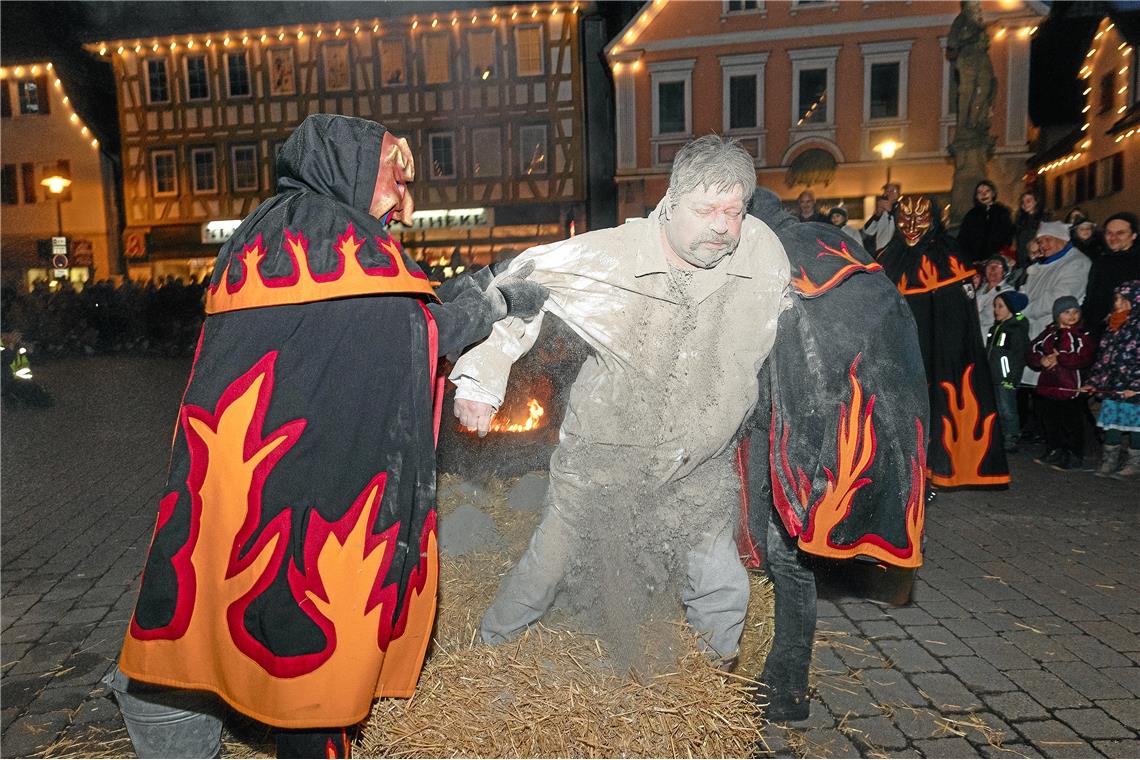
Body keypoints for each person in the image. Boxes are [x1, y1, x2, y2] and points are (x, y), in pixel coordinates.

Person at [105, 115, 548, 758]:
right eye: (392, 181)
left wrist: (474, 287)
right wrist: (491, 307)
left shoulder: (272, 229)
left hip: (245, 463)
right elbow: (407, 336)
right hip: (309, 472)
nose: (402, 199)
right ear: (351, 171)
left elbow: (391, 316)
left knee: (237, 600)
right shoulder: (335, 238)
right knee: (307, 620)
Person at [452, 135, 790, 670]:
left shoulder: (760, 253)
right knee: (550, 562)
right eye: (706, 210)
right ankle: (487, 650)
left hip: (697, 454)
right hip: (603, 449)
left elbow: (760, 347)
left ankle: (711, 685)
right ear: (672, 202)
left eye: (734, 211)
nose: (723, 226)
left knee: (721, 580)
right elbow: (522, 285)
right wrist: (481, 377)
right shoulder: (613, 256)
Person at [742, 189, 928, 722]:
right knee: (780, 554)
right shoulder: (824, 242)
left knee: (786, 557)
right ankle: (781, 680)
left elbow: (801, 348)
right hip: (832, 416)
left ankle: (785, 687)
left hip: (811, 425)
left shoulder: (774, 253)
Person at [879, 195, 1010, 488]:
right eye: (904, 217)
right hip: (902, 353)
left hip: (942, 354)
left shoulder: (949, 257)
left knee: (946, 403)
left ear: (935, 219)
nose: (912, 225)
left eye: (920, 217)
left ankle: (943, 468)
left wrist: (945, 354)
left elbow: (958, 318)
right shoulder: (888, 257)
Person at [1021, 221, 1093, 386]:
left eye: (1048, 239)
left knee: (1055, 393)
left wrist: (1023, 312)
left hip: (1059, 342)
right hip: (1036, 337)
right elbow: (1026, 293)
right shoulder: (1043, 264)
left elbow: (1057, 299)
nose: (1043, 245)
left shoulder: (1077, 263)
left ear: (1062, 239)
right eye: (1040, 241)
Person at [1027, 296, 1095, 471]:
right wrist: (1041, 360)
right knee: (1051, 421)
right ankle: (1054, 449)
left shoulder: (1081, 335)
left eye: (1075, 311)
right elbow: (1032, 349)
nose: (1072, 316)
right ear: (1057, 315)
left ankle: (1073, 454)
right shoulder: (1049, 333)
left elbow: (1084, 357)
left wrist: (1061, 358)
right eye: (1066, 312)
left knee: (1071, 423)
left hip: (1069, 387)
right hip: (1049, 386)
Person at [1082, 281, 1140, 479]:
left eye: (1124, 299)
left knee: (1135, 427)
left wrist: (1136, 386)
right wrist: (1094, 381)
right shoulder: (1112, 325)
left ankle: (1134, 463)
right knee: (1111, 424)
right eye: (1117, 299)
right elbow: (1103, 358)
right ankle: (1109, 461)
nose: (1118, 303)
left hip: (1132, 389)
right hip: (1112, 386)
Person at [1082, 212, 1140, 348]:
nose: (1113, 238)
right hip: (1098, 335)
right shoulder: (1101, 261)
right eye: (1109, 233)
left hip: (1129, 338)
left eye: (1120, 233)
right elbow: (1091, 297)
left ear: (1133, 236)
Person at [986, 291, 1030, 452]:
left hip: (1006, 378)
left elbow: (1019, 356)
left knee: (1007, 409)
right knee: (998, 407)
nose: (996, 310)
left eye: (1000, 306)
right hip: (994, 375)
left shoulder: (1015, 330)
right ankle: (1001, 435)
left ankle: (1011, 437)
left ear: (1011, 308)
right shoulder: (996, 328)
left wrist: (1012, 378)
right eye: (995, 306)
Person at [956, 180, 1015, 270]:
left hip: (998, 260)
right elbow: (963, 239)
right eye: (980, 192)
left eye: (987, 191)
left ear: (993, 193)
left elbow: (1008, 236)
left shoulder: (1002, 212)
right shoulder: (971, 215)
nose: (983, 195)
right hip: (976, 262)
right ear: (976, 196)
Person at [976, 256, 1012, 341]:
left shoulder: (1008, 292)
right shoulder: (978, 291)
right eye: (989, 265)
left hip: (992, 340)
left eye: (998, 265)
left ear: (1004, 272)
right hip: (974, 338)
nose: (993, 268)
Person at [1013, 190, 1048, 275]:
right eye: (1023, 202)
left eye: (1028, 201)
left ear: (1036, 202)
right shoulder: (1020, 221)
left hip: (1038, 261)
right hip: (1023, 262)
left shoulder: (1044, 219)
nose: (1025, 204)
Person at [862, 182, 901, 254]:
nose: (889, 193)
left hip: (898, 253)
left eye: (893, 190)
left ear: (899, 193)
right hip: (881, 252)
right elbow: (868, 231)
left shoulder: (903, 209)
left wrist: (891, 211)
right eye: (887, 191)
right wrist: (877, 214)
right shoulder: (882, 210)